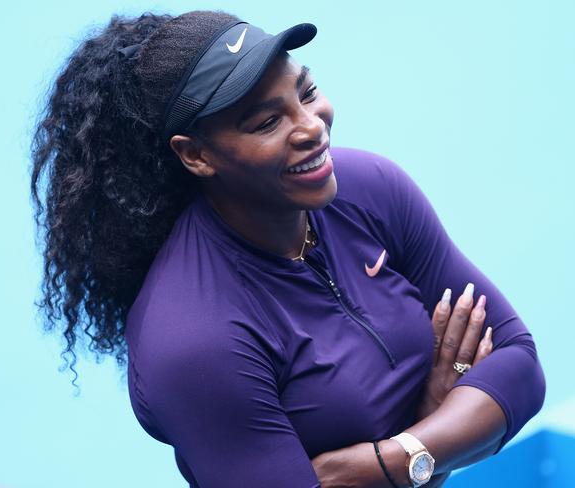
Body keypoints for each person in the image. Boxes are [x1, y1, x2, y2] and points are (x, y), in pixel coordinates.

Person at [30, 9, 546, 488]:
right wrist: (445, 421)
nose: (312, 126)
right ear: (197, 155)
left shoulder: (370, 188)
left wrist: (400, 454)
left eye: (307, 92)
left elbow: (519, 364)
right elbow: (495, 387)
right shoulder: (193, 341)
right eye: (267, 122)